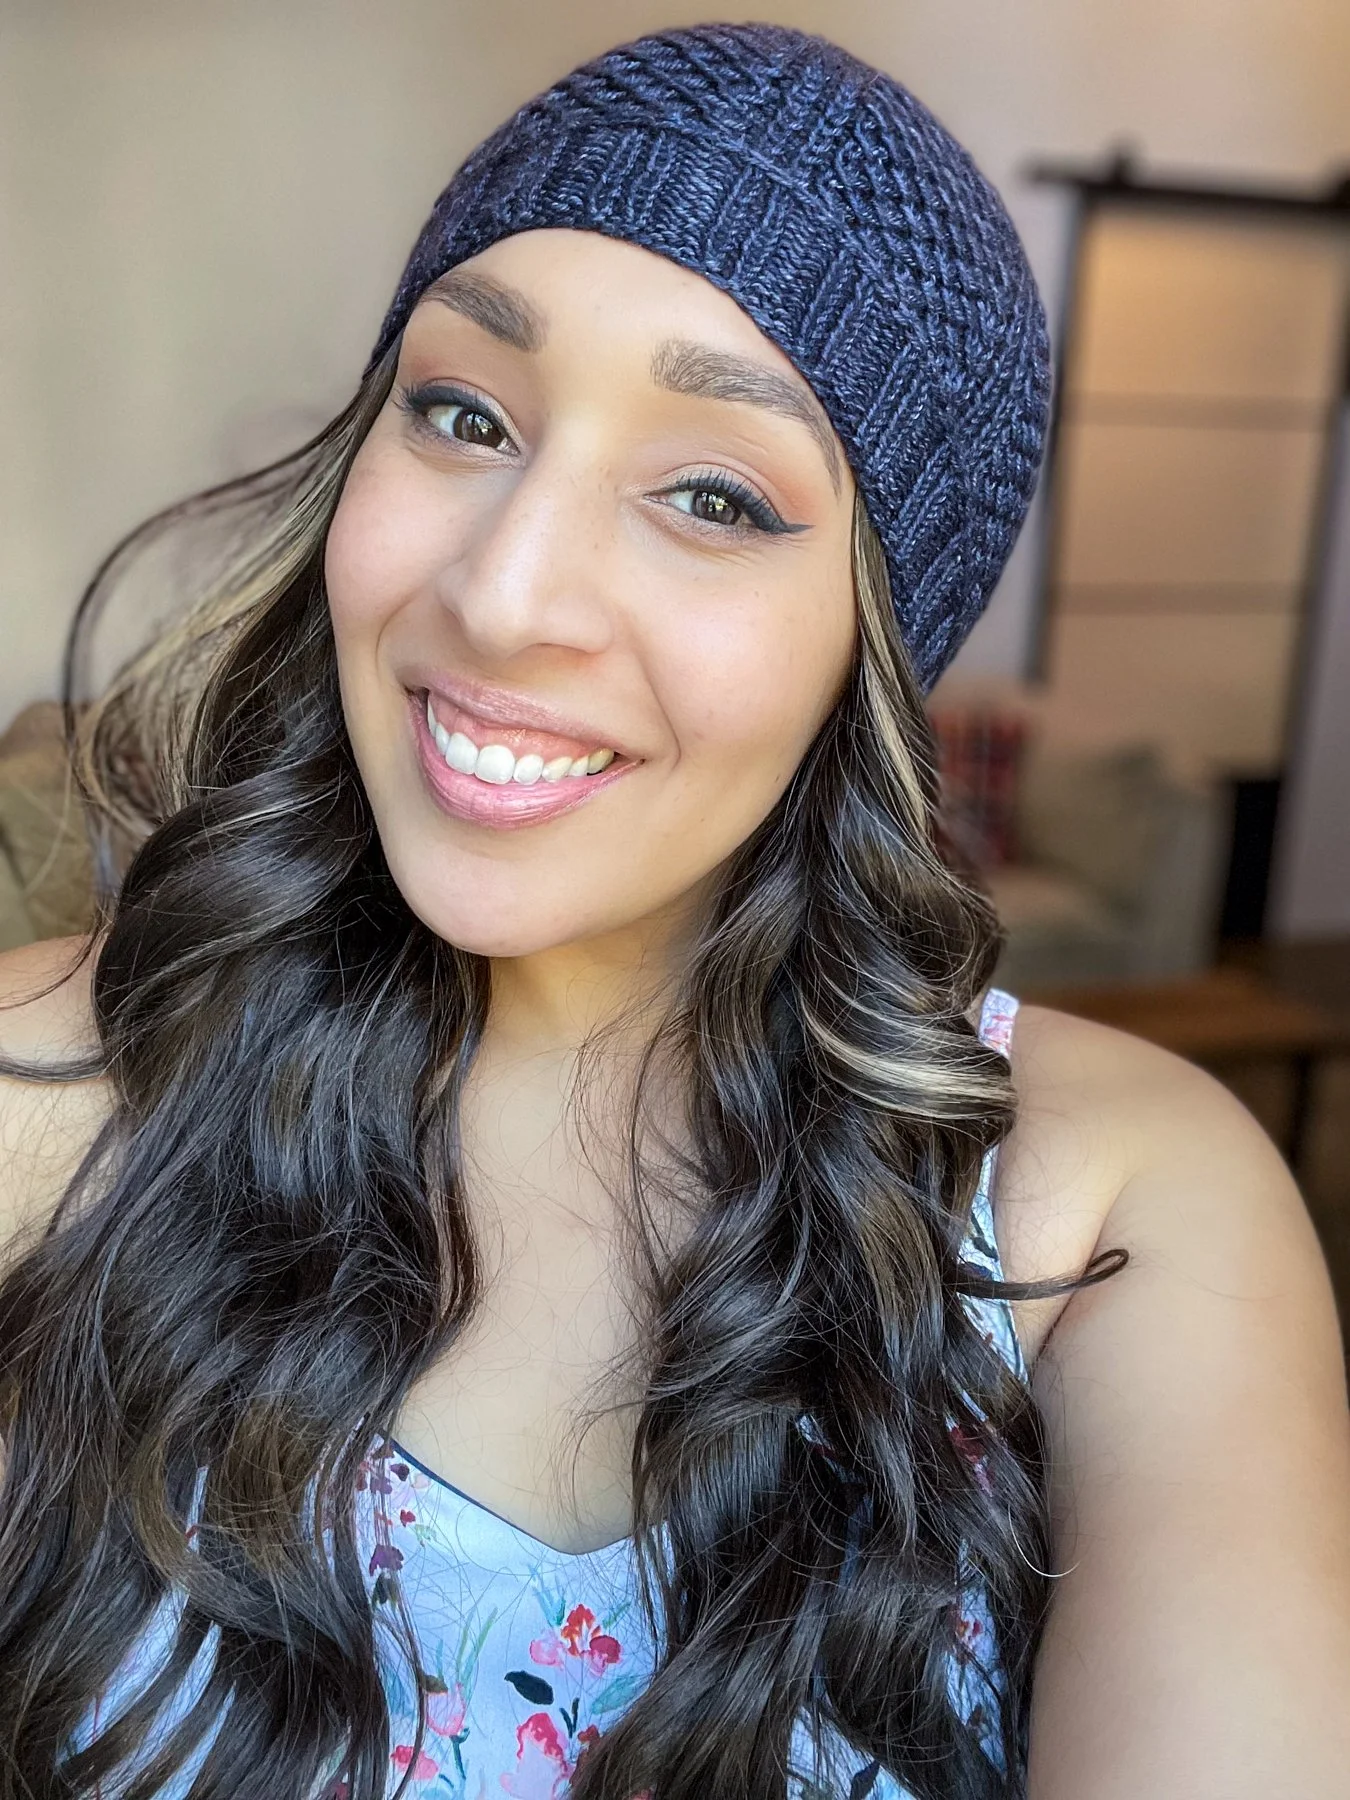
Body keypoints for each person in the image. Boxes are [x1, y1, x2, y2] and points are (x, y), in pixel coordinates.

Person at [0, 21, 1346, 1800]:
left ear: (871, 638)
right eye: (463, 412)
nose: (504, 593)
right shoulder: (43, 1101)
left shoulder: (1105, 1219)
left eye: (714, 494)